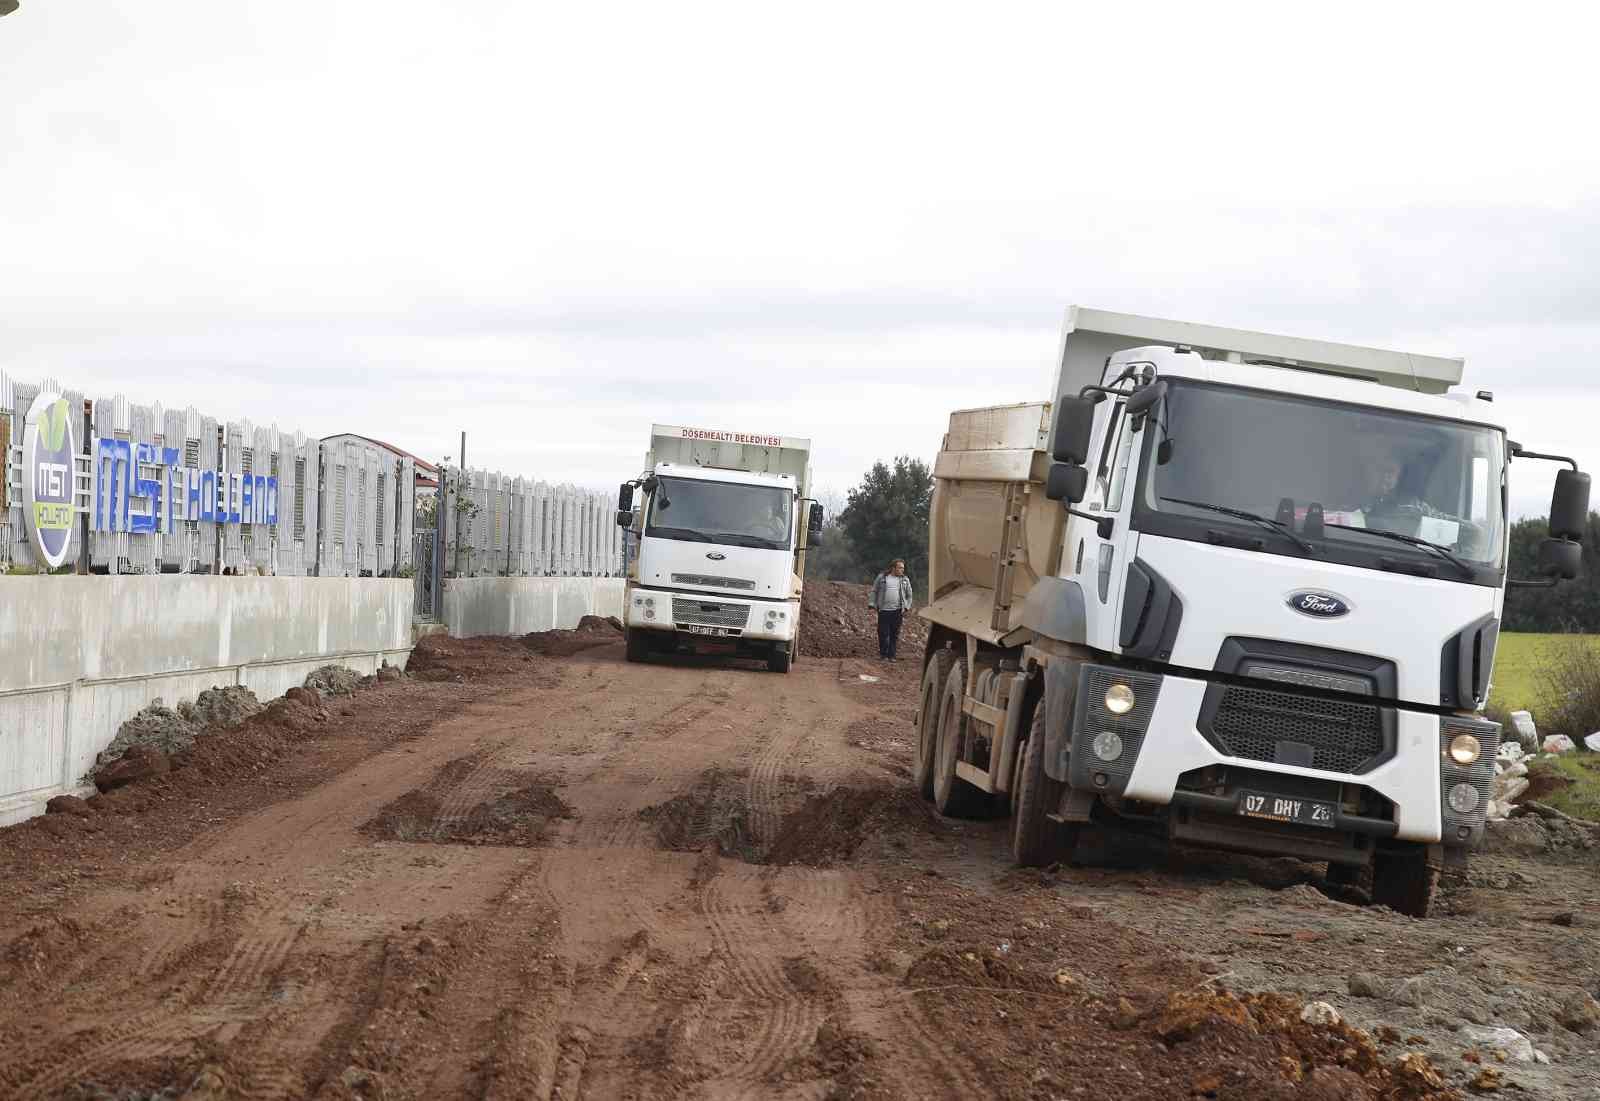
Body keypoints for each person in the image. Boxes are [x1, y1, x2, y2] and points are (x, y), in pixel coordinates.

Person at [869, 559, 914, 660]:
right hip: (884, 610)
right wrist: (872, 603)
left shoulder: (905, 579)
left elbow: (909, 595)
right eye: (900, 568)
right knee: (883, 633)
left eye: (903, 568)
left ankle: (892, 656)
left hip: (897, 611)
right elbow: (874, 591)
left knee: (894, 634)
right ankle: (883, 654)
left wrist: (907, 606)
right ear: (893, 568)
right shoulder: (882, 577)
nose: (902, 570)